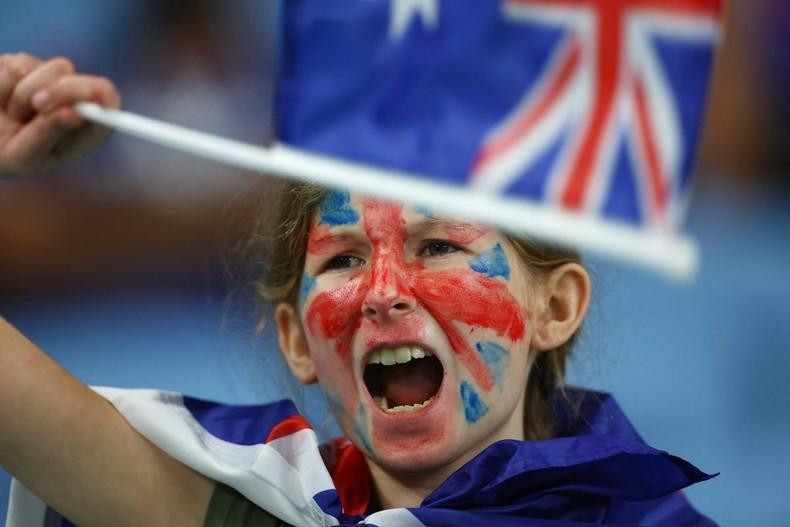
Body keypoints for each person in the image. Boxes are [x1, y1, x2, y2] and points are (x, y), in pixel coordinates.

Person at [0, 54, 715, 526]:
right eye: (341, 259)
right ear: (295, 339)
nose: (382, 292)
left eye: (436, 247)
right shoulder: (244, 504)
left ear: (553, 307)